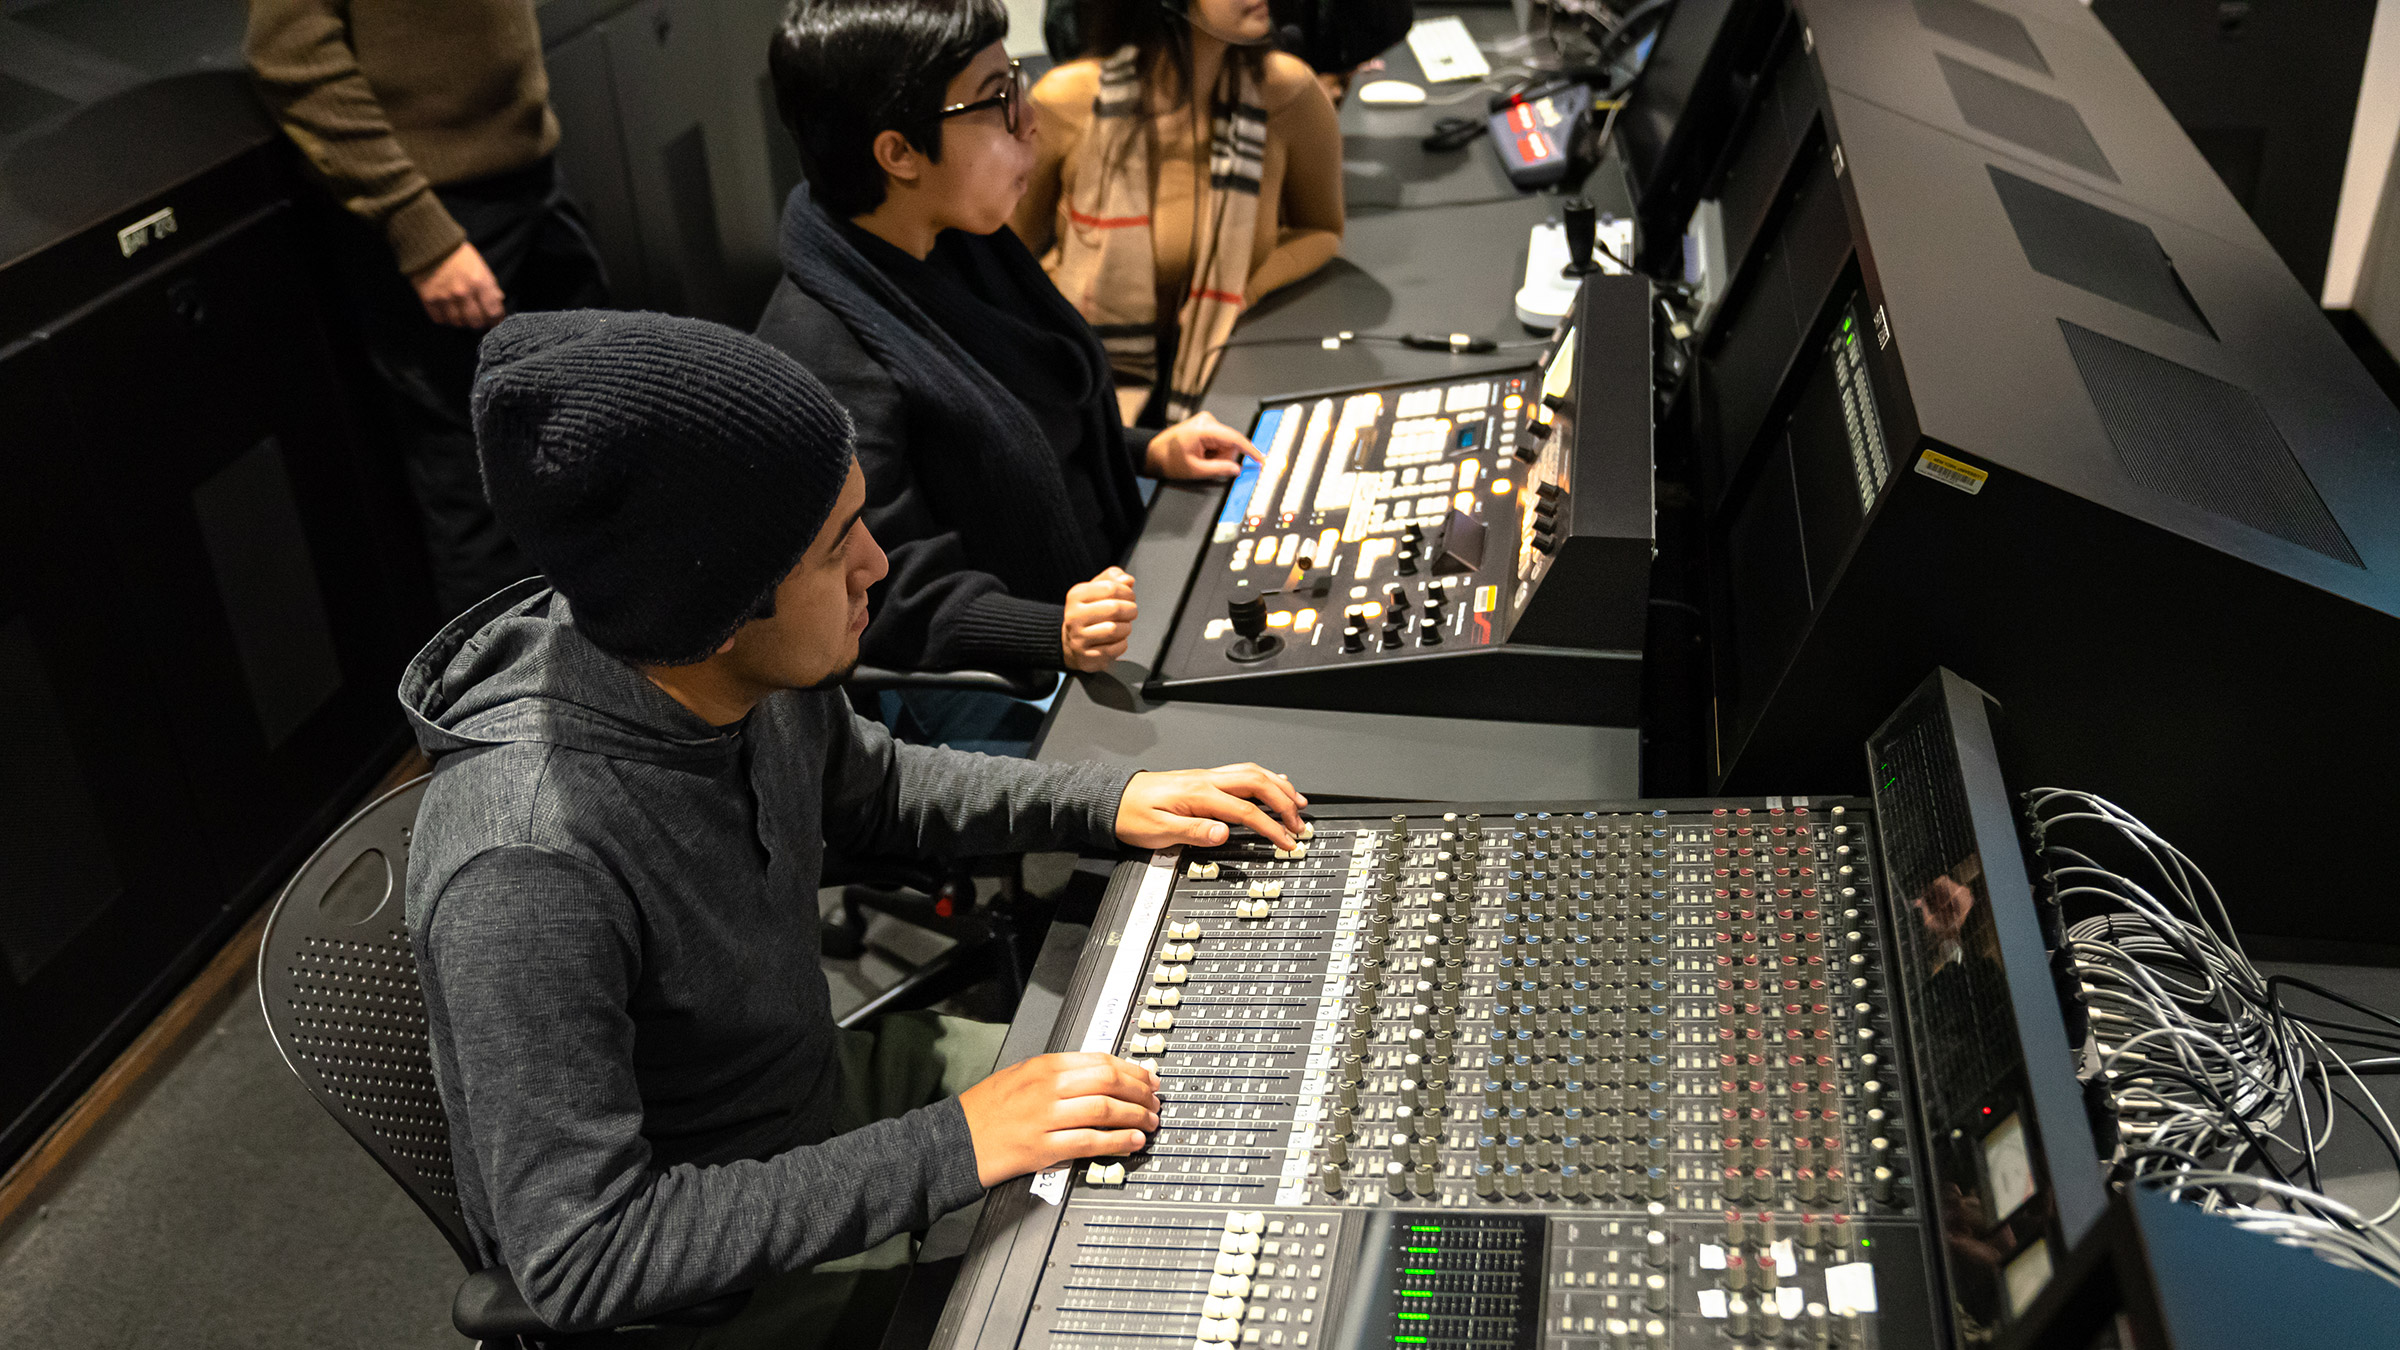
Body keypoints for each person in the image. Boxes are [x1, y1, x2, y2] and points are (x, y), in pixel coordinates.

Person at [404, 309, 1308, 1345]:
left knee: (1221, 1116)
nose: (878, 566)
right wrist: (953, 1147)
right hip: (714, 1291)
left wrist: (1101, 801)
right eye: (839, 550)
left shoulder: (725, 666)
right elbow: (586, 1255)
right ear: (725, 599)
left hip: (818, 1110)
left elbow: (871, 787)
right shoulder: (524, 868)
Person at [758, 0, 1259, 752]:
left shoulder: (947, 235)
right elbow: (874, 589)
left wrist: (1145, 450)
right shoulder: (824, 355)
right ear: (899, 153)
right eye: (995, 100)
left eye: (1016, 82)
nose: (1031, 122)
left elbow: (1011, 432)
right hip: (995, 668)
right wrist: (1048, 629)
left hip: (1088, 595)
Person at [246, 0, 609, 616]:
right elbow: (292, 56)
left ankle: (602, 682)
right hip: (444, 214)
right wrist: (420, 232)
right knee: (481, 487)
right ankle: (504, 706)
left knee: (588, 437)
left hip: (529, 173)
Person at [1018, 0, 1346, 424]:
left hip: (1220, 376)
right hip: (1076, 383)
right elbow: (1002, 262)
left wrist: (1246, 291)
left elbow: (1320, 229)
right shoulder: (1066, 100)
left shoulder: (1288, 92)